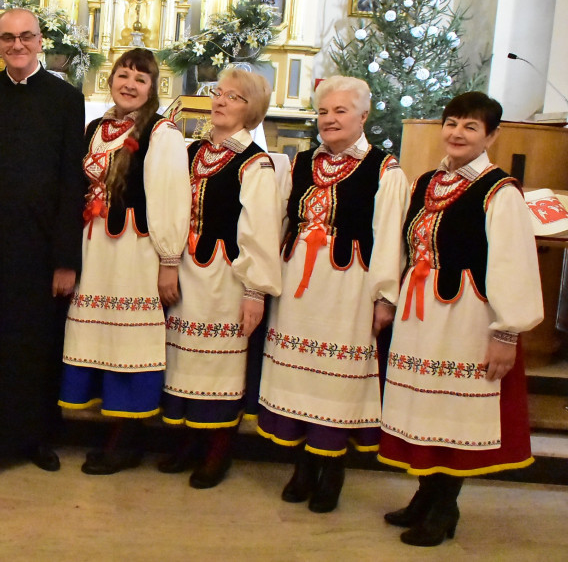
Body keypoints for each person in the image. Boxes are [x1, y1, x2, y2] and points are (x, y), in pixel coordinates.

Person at [378, 92, 542, 547]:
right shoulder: (427, 181)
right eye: (451, 123)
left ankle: (444, 508)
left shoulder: (499, 190)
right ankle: (425, 494)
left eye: (470, 127)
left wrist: (505, 333)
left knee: (452, 410)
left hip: (467, 315)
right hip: (420, 314)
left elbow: (513, 263)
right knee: (424, 407)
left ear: (491, 135)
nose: (457, 133)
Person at [258, 76, 409, 513]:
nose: (329, 119)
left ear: (363, 116)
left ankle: (332, 468)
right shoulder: (301, 163)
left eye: (340, 111)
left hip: (348, 289)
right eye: (324, 112)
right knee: (300, 376)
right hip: (299, 291)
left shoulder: (385, 170)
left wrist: (384, 296)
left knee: (335, 382)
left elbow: (389, 240)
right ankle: (303, 463)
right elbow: (281, 224)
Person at [0, 8, 86, 472]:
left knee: (34, 345)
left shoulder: (67, 99)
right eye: (7, 38)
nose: (17, 45)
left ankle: (33, 438)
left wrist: (66, 259)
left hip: (39, 245)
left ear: (40, 40)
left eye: (25, 36)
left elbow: (72, 181)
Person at [58, 48, 190, 475]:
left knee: (129, 342)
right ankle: (110, 431)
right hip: (96, 247)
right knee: (102, 341)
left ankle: (127, 439)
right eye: (123, 74)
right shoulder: (96, 127)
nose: (130, 84)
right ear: (110, 79)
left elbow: (171, 197)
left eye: (141, 79)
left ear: (153, 88)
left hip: (134, 250)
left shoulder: (161, 132)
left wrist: (169, 261)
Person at [160, 68, 282, 489]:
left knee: (219, 363)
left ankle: (218, 448)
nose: (222, 101)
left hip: (225, 277)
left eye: (235, 97)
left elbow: (261, 229)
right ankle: (191, 440)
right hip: (188, 270)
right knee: (186, 358)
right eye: (219, 93)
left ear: (253, 111)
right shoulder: (192, 152)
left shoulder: (255, 163)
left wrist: (254, 292)